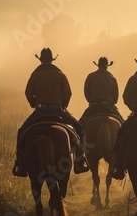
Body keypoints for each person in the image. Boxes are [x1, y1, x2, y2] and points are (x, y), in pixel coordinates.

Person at [12, 48, 89, 177]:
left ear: (41, 60)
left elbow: (28, 93)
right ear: (52, 59)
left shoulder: (35, 75)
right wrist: (63, 106)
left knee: (21, 132)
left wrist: (33, 103)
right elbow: (68, 93)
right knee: (79, 128)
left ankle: (20, 164)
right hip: (58, 109)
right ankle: (80, 161)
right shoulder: (60, 75)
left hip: (40, 110)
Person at [79, 57, 124, 124]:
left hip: (93, 106)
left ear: (98, 65)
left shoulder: (91, 76)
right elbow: (115, 98)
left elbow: (86, 93)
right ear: (107, 66)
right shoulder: (112, 78)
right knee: (123, 124)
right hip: (109, 106)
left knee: (78, 126)